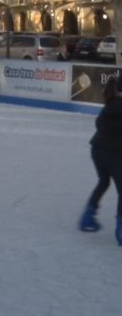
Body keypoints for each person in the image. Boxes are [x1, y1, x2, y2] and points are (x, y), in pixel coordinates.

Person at [79, 77, 122, 246]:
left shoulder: (110, 103)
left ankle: (87, 218)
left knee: (103, 181)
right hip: (114, 154)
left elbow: (99, 124)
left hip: (97, 150)